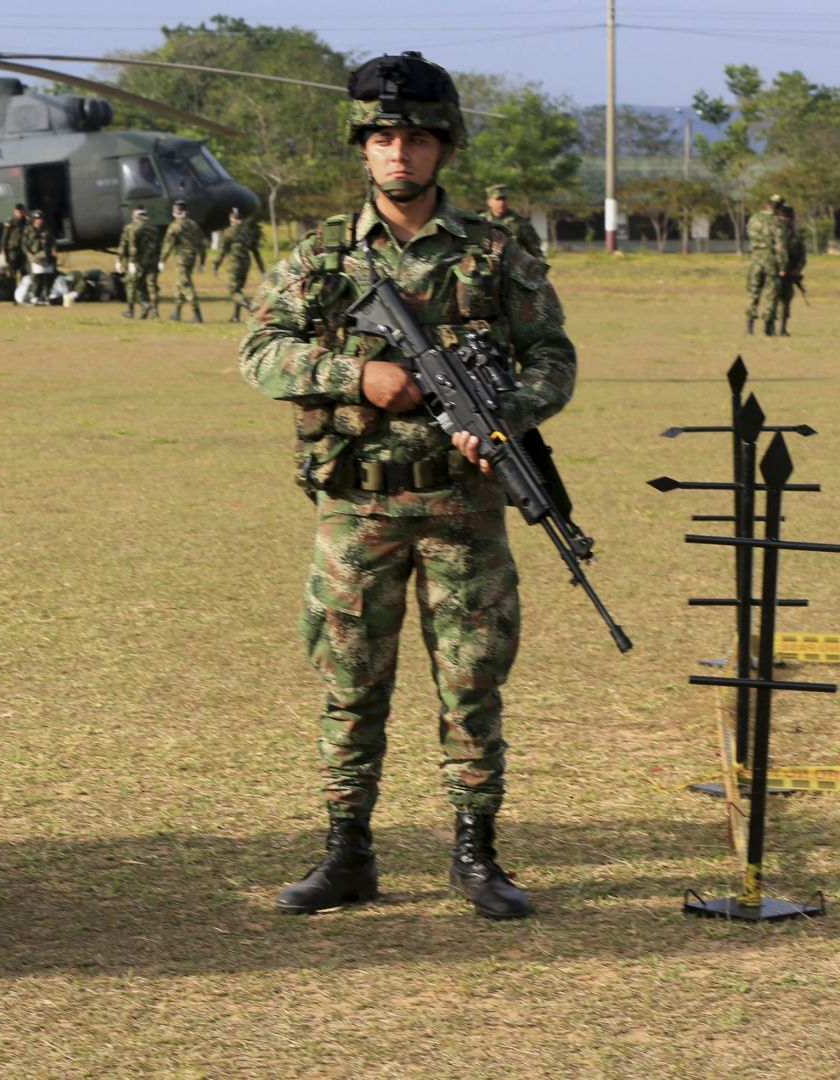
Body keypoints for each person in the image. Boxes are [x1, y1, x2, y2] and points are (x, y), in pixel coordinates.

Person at [240, 51, 575, 922]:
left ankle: (477, 853)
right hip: (358, 507)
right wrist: (360, 377)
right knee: (350, 684)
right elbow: (262, 352)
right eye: (384, 136)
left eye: (418, 138)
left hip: (465, 508)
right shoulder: (321, 256)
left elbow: (554, 357)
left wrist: (506, 411)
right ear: (362, 146)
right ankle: (346, 853)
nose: (400, 152)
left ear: (445, 149)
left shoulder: (496, 253)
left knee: (472, 684)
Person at [214, 205, 265, 323]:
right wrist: (262, 270)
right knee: (239, 289)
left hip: (235, 264)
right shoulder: (248, 232)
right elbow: (256, 251)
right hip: (246, 263)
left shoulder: (229, 232)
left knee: (234, 291)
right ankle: (236, 316)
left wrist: (216, 265)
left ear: (232, 219)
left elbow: (222, 251)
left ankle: (251, 308)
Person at [744, 195, 785, 336]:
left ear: (767, 204)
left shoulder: (753, 219)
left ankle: (749, 327)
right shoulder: (778, 222)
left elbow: (750, 236)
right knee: (770, 294)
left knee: (753, 292)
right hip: (771, 260)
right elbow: (780, 246)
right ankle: (768, 327)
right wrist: (783, 267)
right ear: (779, 207)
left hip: (755, 258)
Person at [160, 199, 206, 323]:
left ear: (176, 211)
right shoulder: (193, 224)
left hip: (182, 259)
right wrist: (202, 261)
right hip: (191, 258)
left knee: (185, 285)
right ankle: (177, 313)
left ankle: (197, 314)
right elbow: (201, 244)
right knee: (179, 284)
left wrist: (162, 260)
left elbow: (168, 245)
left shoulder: (175, 226)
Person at [767, 202, 806, 337]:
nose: (783, 220)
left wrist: (798, 269)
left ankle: (783, 328)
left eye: (786, 218)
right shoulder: (772, 233)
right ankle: (769, 328)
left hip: (789, 272)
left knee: (786, 300)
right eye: (781, 217)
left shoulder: (796, 235)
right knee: (772, 299)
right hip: (773, 271)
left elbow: (802, 254)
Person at [117, 206, 162, 319]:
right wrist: (160, 260)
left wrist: (120, 260)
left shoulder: (130, 228)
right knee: (151, 285)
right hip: (153, 262)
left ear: (135, 215)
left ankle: (132, 310)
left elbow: (126, 246)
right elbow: (158, 247)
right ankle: (155, 311)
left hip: (138, 262)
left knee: (131, 284)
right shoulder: (153, 228)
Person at [483, 185, 543, 259]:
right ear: (489, 201)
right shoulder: (480, 221)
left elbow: (535, 251)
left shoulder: (520, 222)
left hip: (513, 268)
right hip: (488, 268)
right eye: (498, 199)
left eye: (504, 199)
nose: (501, 203)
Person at [21, 208, 57, 304]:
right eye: (38, 219)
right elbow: (24, 243)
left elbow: (52, 241)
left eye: (41, 219)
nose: (40, 220)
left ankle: (47, 296)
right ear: (34, 220)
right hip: (34, 257)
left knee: (48, 277)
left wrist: (53, 250)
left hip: (46, 256)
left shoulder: (47, 229)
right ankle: (35, 296)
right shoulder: (28, 230)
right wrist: (28, 252)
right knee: (36, 278)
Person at [0, 203, 29, 300]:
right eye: (18, 212)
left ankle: (21, 294)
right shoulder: (10, 222)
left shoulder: (26, 222)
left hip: (23, 251)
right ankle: (11, 294)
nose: (20, 214)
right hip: (12, 251)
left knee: (24, 273)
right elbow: (4, 237)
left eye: (21, 212)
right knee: (12, 274)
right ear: (15, 212)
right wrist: (3, 250)